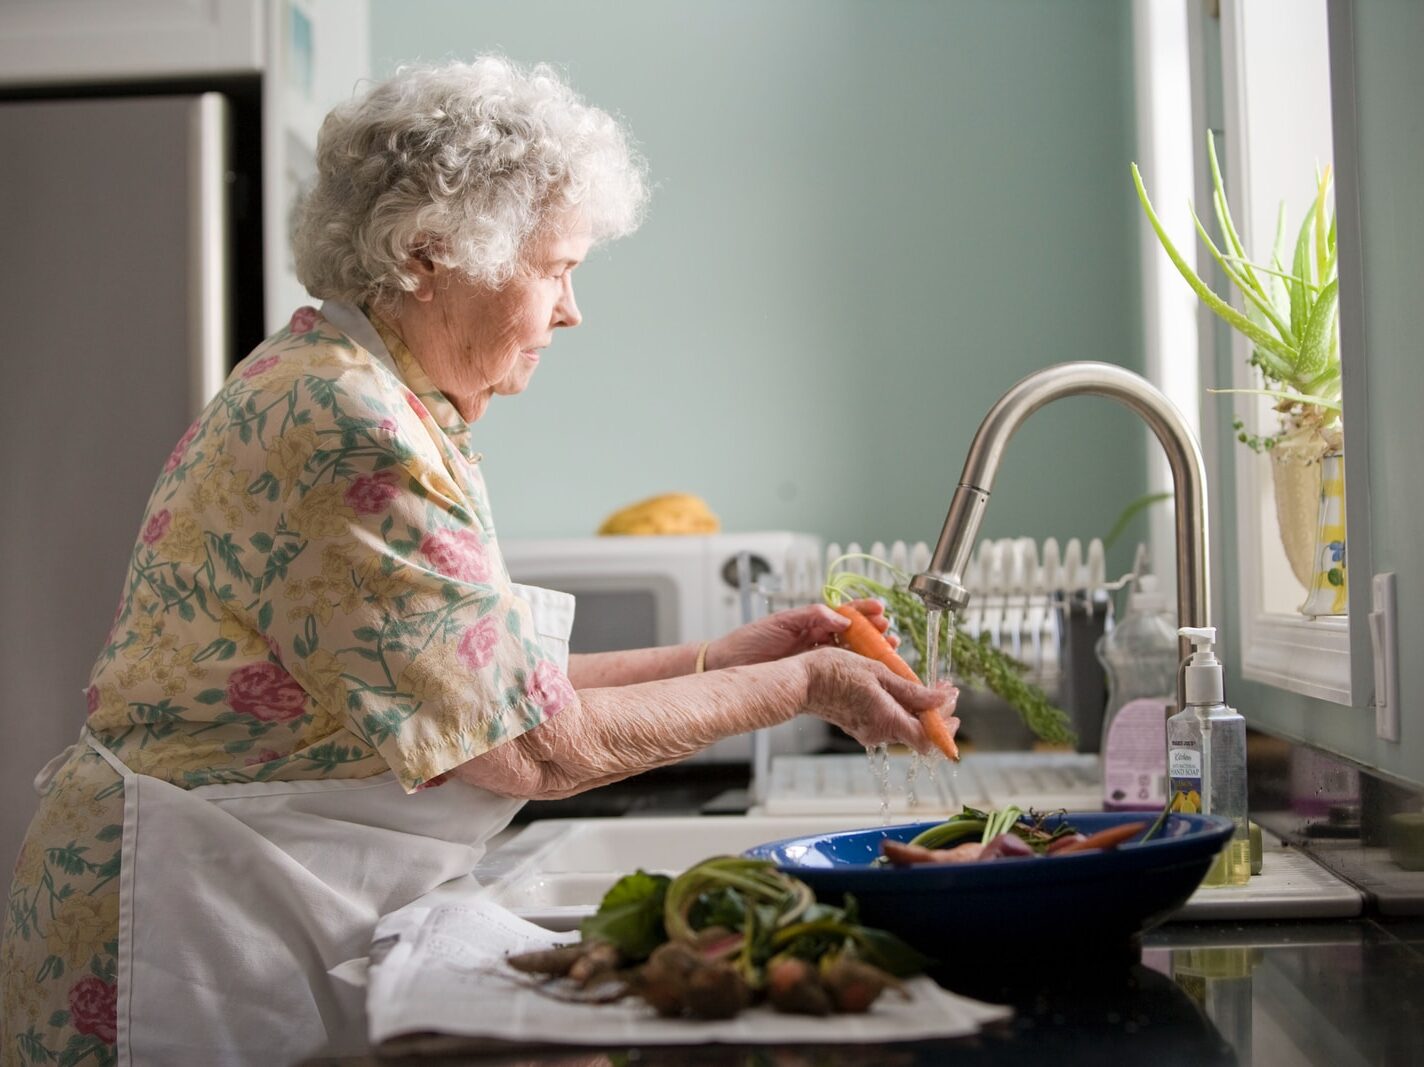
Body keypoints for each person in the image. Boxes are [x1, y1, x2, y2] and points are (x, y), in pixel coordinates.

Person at [0, 57, 957, 1064]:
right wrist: (801, 681)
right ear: (428, 254)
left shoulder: (373, 397)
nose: (572, 309)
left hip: (245, 892)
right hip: (184, 931)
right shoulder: (344, 425)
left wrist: (722, 659)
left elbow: (480, 691)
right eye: (554, 269)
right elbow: (528, 747)